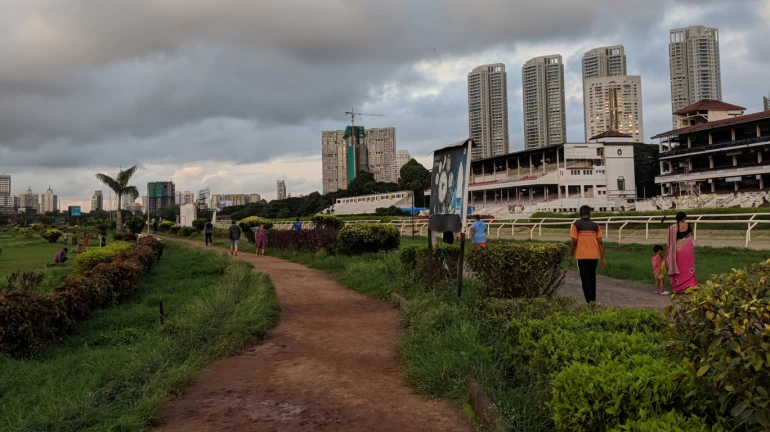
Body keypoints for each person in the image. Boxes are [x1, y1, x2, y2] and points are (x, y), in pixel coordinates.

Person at [569, 205, 606, 303]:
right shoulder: (595, 226)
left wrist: (571, 255)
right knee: (592, 278)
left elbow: (573, 242)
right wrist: (603, 258)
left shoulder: (576, 225)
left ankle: (589, 302)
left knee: (585, 280)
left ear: (580, 213)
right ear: (590, 214)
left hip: (582, 257)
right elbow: (600, 242)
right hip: (594, 256)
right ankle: (593, 300)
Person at [666, 211, 698, 292]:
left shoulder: (672, 227)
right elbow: (691, 234)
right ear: (684, 218)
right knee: (689, 266)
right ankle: (691, 285)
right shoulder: (688, 224)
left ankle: (678, 287)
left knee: (679, 267)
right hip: (688, 248)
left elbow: (670, 242)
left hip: (678, 250)